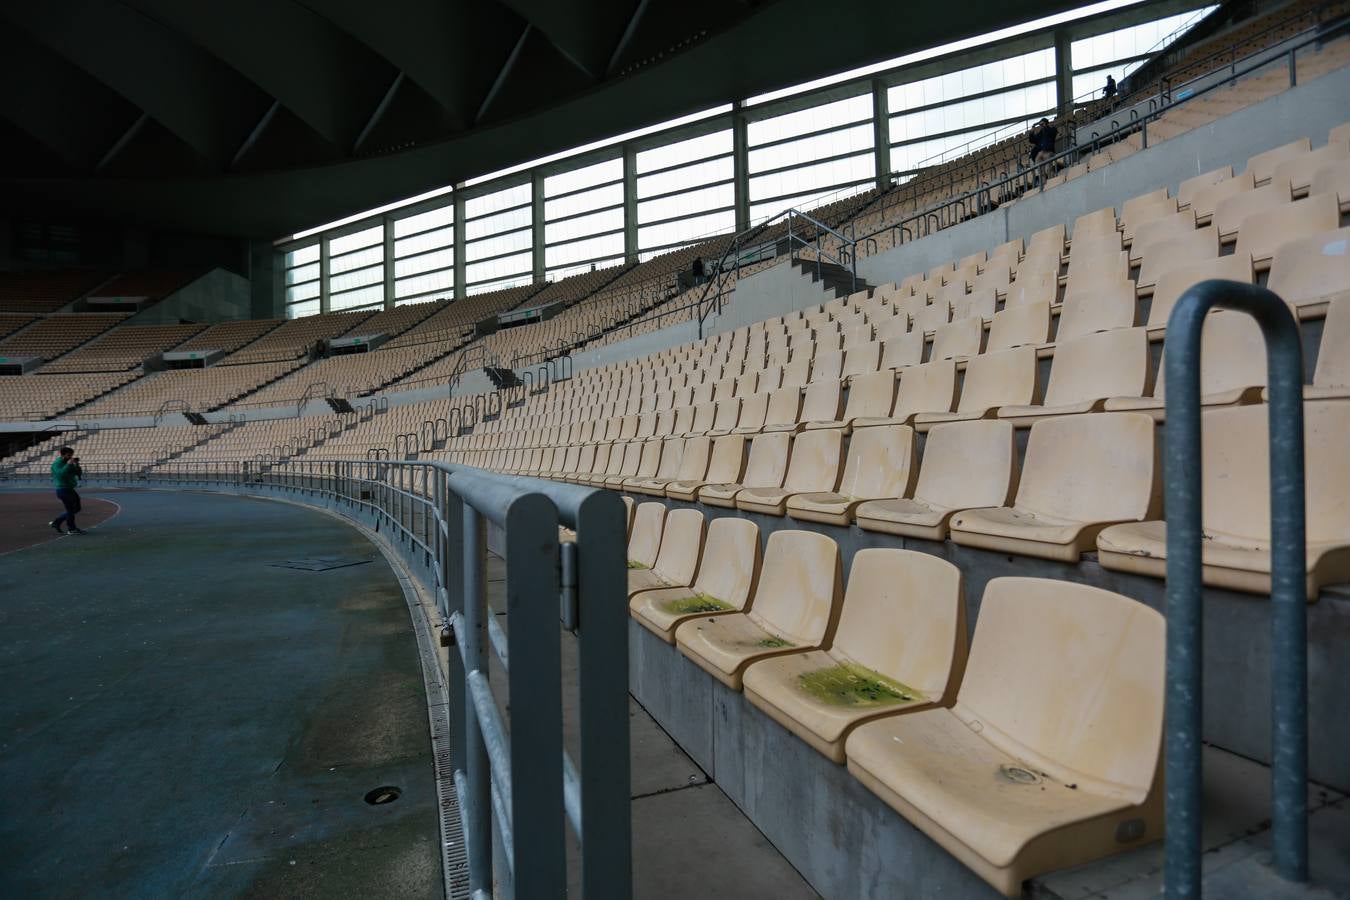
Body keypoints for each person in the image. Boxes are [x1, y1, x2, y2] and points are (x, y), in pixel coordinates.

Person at [49, 446, 86, 535]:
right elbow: (61, 475)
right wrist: (68, 464)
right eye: (68, 455)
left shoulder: (68, 462)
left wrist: (76, 465)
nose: (70, 457)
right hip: (62, 489)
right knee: (70, 510)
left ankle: (57, 522)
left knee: (76, 508)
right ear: (62, 455)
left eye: (71, 455)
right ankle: (71, 529)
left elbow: (78, 473)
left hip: (70, 488)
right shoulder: (57, 464)